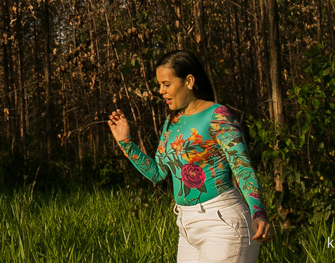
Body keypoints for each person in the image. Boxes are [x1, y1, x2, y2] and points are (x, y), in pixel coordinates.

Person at [108, 49, 271, 262]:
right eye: (160, 85)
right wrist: (126, 143)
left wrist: (258, 211)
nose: (161, 91)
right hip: (186, 227)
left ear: (189, 81)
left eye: (166, 84)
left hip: (223, 223)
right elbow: (157, 174)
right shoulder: (171, 123)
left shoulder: (217, 115)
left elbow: (241, 166)